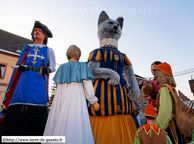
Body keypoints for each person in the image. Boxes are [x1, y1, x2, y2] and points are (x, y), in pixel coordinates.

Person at [0, 21, 56, 136]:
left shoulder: (48, 50)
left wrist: (47, 70)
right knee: (19, 100)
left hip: (38, 80)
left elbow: (53, 67)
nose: (37, 32)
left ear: (44, 35)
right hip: (24, 80)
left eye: (40, 31)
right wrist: (20, 67)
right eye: (35, 30)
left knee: (38, 102)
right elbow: (20, 62)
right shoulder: (27, 48)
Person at [43, 45, 100, 144]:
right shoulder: (82, 66)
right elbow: (88, 85)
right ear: (79, 54)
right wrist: (93, 101)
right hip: (75, 98)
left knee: (58, 122)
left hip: (60, 99)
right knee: (75, 121)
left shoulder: (62, 67)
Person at [153, 62, 186, 144]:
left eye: (156, 73)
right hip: (176, 122)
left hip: (170, 126)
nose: (154, 76)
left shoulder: (164, 88)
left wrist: (156, 127)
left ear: (162, 74)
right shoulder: (171, 87)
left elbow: (165, 113)